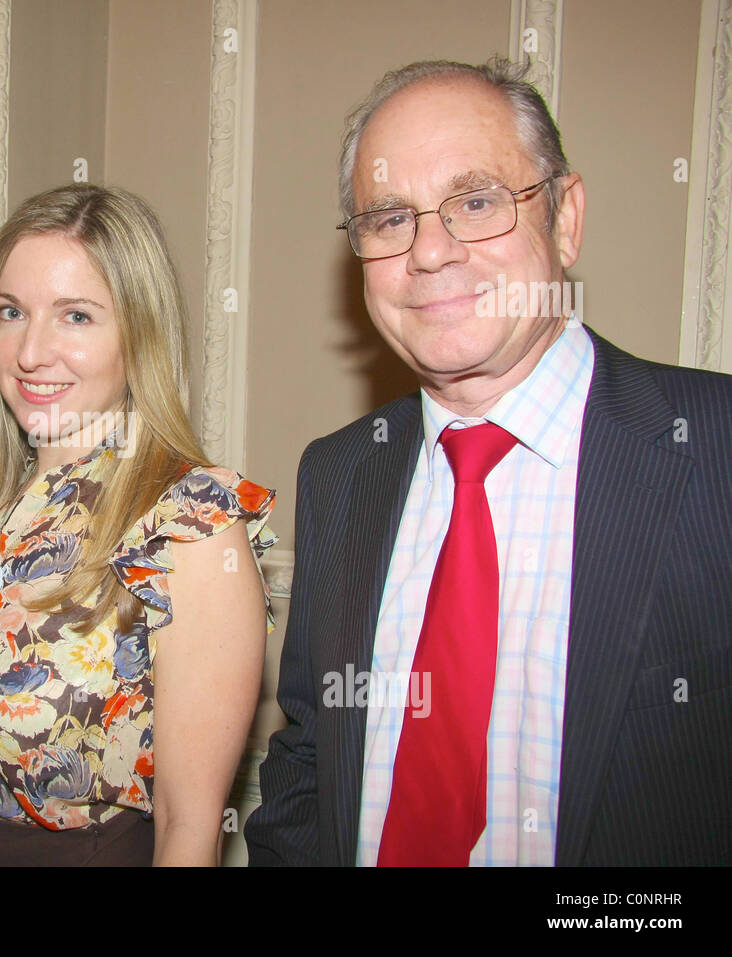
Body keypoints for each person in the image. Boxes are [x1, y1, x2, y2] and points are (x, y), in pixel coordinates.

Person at [245, 58, 732, 866]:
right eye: (389, 218)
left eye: (476, 202)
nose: (431, 253)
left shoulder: (714, 450)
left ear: (565, 218)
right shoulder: (338, 475)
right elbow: (308, 758)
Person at [0, 183, 277, 866]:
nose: (30, 351)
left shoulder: (190, 522)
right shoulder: (1, 504)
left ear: (140, 333)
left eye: (75, 316)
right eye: (11, 311)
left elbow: (188, 829)